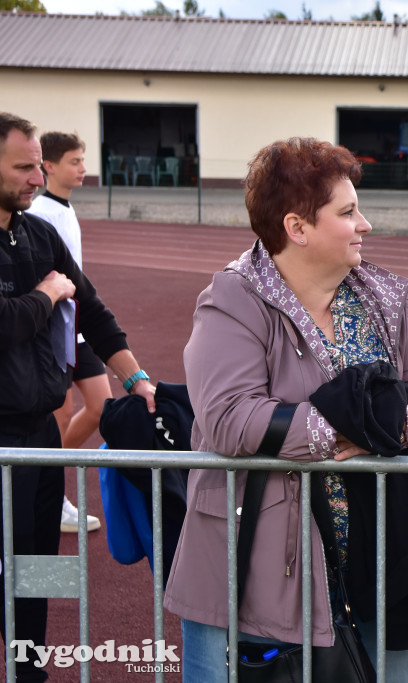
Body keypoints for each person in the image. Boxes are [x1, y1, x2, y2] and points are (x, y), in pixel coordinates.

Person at [162, 137, 408, 683]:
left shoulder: (377, 296)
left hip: (378, 557)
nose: (365, 224)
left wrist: (383, 425)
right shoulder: (234, 299)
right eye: (347, 213)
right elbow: (229, 417)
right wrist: (343, 429)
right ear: (297, 228)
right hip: (262, 562)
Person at [0, 111, 156, 682]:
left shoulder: (37, 233)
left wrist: (137, 380)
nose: (36, 178)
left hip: (40, 436)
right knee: (6, 565)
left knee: (37, 565)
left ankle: (29, 667)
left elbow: (92, 309)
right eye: (23, 167)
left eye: (39, 165)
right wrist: (45, 293)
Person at [28, 130, 105, 534]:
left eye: (82, 160)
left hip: (74, 322)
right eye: (75, 161)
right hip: (53, 327)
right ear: (50, 166)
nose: (83, 169)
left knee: (99, 404)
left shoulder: (64, 209)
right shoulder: (40, 213)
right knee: (60, 413)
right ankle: (50, 493)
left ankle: (48, 479)